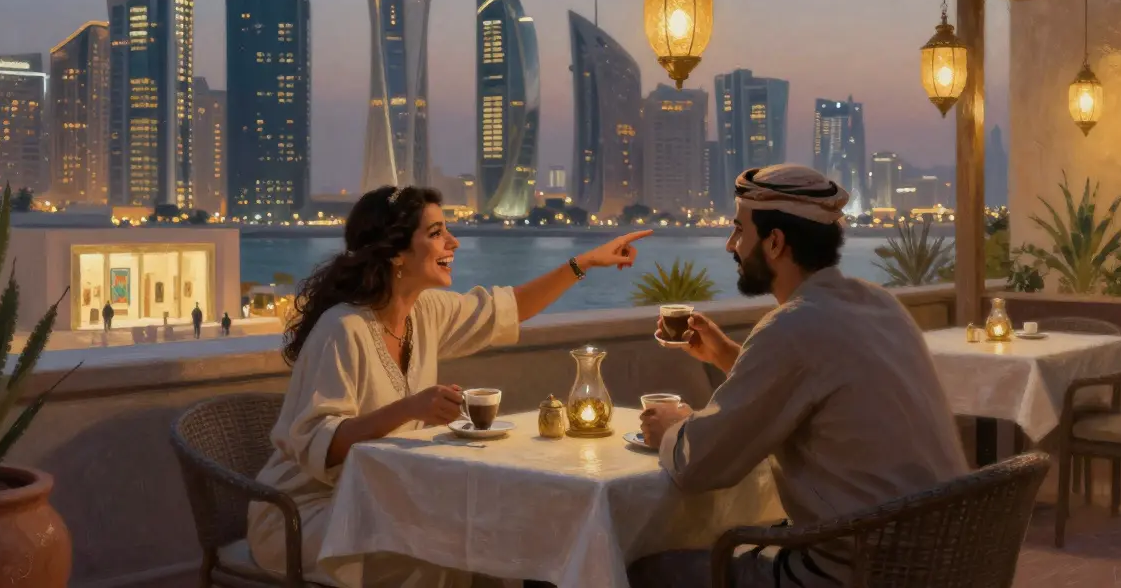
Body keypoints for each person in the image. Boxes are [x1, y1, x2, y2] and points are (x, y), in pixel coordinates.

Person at [246, 185, 650, 587]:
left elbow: (508, 308)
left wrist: (585, 262)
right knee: (444, 549)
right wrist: (409, 409)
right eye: (437, 232)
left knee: (488, 539)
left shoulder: (425, 312)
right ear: (396, 252)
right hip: (305, 515)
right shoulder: (343, 329)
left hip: (383, 501)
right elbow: (322, 445)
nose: (453, 242)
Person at [630, 164, 967, 588]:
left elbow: (702, 465)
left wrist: (671, 429)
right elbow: (818, 390)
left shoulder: (792, 327)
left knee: (646, 572)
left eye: (738, 230)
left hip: (856, 573)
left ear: (774, 242)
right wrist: (725, 354)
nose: (731, 245)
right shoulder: (880, 305)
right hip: (948, 561)